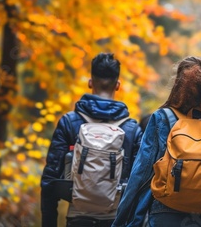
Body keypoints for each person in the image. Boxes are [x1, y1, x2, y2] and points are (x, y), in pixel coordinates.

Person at [112, 55, 201, 227]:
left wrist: (124, 221)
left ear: (178, 85)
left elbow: (140, 176)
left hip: (166, 214)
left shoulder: (163, 119)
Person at [41, 53, 143, 227]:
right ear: (117, 86)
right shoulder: (131, 129)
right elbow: (139, 183)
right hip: (115, 219)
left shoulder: (69, 123)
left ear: (90, 83)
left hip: (77, 218)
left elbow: (49, 181)